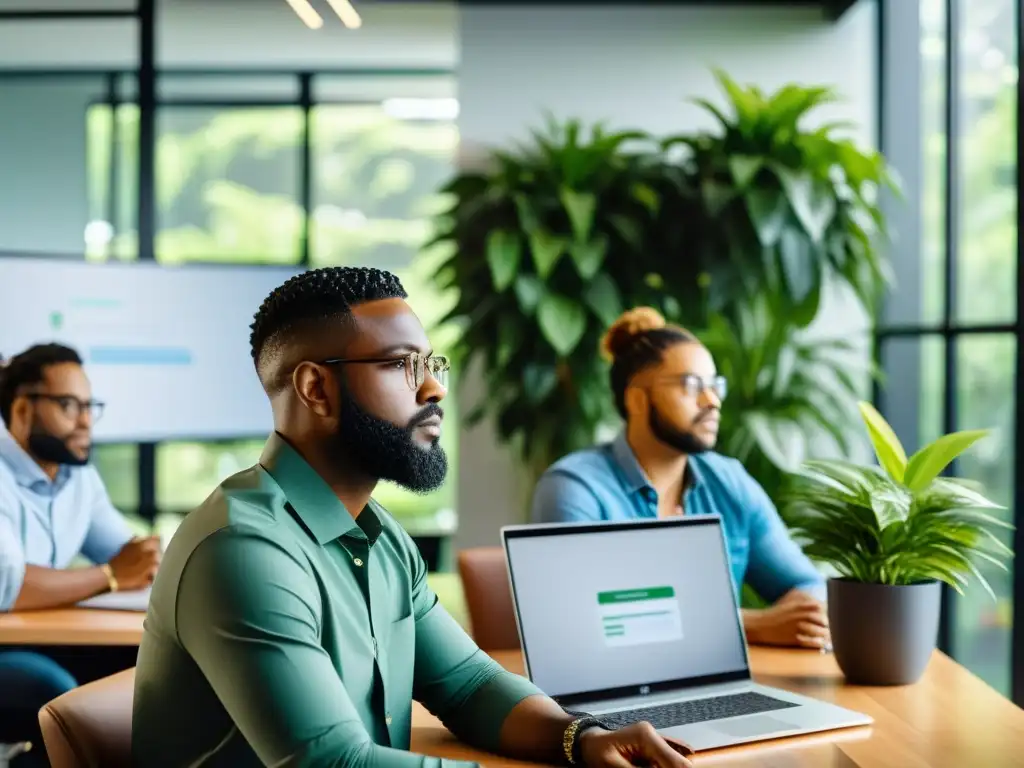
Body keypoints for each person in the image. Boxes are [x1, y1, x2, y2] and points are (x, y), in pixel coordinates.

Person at [132, 267, 694, 768]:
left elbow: (470, 685)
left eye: (430, 363)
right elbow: (335, 762)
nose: (435, 387)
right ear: (316, 388)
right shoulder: (243, 549)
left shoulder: (381, 538)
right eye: (402, 364)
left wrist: (581, 739)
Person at [531, 308, 830, 651]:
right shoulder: (574, 489)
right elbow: (581, 617)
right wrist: (752, 625)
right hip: (617, 686)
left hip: (720, 680)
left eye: (715, 386)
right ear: (638, 399)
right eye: (692, 386)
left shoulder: (729, 480)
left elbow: (807, 584)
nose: (712, 401)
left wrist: (807, 617)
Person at [0, 343, 162, 763]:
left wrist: (144, 559)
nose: (86, 421)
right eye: (69, 405)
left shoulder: (77, 476)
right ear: (21, 410)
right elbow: (8, 587)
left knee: (150, 677)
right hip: (6, 647)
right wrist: (110, 574)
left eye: (91, 406)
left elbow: (128, 557)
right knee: (64, 696)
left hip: (51, 639)